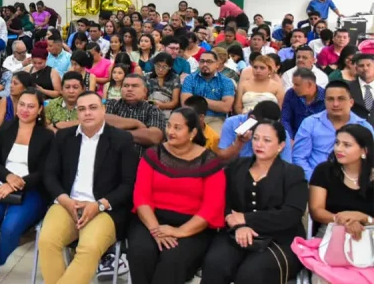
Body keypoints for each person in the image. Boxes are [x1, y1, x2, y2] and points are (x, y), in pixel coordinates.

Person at [39, 91, 138, 284]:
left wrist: (99, 205)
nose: (87, 113)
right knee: (47, 241)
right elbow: (49, 174)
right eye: (82, 109)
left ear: (103, 110)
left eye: (93, 107)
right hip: (67, 203)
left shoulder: (122, 140)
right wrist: (64, 199)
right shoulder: (64, 137)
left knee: (89, 247)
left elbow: (128, 184)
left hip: (104, 209)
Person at [201, 120, 307, 284]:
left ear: (280, 146)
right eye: (256, 138)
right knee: (216, 264)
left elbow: (292, 214)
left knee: (252, 273)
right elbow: (224, 201)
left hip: (279, 238)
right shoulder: (237, 166)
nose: (259, 144)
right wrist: (238, 225)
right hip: (236, 232)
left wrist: (247, 219)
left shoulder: (294, 173)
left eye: (267, 140)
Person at [128, 107, 226, 284]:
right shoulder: (153, 155)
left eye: (177, 128)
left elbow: (211, 207)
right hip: (150, 220)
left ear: (193, 132)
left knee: (173, 260)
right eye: (169, 126)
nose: (170, 132)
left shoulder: (209, 161)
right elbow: (141, 197)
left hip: (192, 227)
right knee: (142, 252)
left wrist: (179, 231)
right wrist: (156, 230)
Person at [0, 88, 53, 284]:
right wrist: (8, 177)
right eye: (22, 105)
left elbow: (45, 172)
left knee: (10, 229)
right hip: (3, 183)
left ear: (40, 110)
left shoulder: (47, 136)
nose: (25, 110)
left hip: (32, 191)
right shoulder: (6, 129)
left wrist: (18, 184)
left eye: (31, 106)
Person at [295, 125, 373, 278]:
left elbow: (365, 219)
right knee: (325, 277)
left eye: (347, 145)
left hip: (370, 235)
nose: (339, 149)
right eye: (337, 143)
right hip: (331, 234)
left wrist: (363, 218)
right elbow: (316, 210)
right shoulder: (324, 171)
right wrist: (343, 220)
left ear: (364, 151)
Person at [293, 80, 374, 180]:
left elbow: (371, 158)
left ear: (351, 102)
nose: (335, 104)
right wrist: (315, 181)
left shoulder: (364, 127)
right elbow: (299, 158)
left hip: (354, 183)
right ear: (324, 102)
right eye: (330, 99)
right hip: (316, 182)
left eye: (341, 99)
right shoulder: (310, 124)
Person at [105, 74, 167, 156]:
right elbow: (101, 119)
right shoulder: (111, 104)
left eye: (135, 86)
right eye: (126, 86)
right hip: (111, 160)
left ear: (145, 91)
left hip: (141, 162)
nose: (129, 89)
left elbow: (154, 137)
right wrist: (135, 123)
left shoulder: (153, 110)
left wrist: (117, 134)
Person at [181, 51, 235, 133]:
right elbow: (186, 103)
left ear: (217, 64)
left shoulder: (226, 82)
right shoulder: (190, 79)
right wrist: (216, 104)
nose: (205, 64)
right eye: (202, 61)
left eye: (209, 62)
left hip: (216, 118)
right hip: (192, 117)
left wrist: (199, 100)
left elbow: (225, 107)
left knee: (215, 139)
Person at [146, 52, 181, 117]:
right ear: (154, 65)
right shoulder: (148, 77)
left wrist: (162, 105)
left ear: (170, 67)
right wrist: (152, 103)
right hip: (149, 107)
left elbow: (175, 102)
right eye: (158, 65)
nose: (160, 70)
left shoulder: (175, 78)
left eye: (164, 67)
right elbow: (143, 98)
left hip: (167, 109)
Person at [350, 53, 374, 126]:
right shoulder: (348, 88)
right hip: (356, 130)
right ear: (356, 69)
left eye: (368, 65)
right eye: (361, 66)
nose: (365, 68)